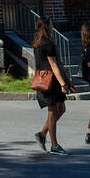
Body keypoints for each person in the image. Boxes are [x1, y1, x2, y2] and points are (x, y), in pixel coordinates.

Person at [32, 16, 74, 154]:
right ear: (46, 26)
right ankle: (54, 145)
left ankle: (42, 134)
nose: (53, 27)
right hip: (49, 81)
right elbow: (54, 65)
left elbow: (58, 64)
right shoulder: (46, 44)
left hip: (51, 79)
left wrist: (67, 82)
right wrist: (63, 84)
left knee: (61, 109)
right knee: (53, 111)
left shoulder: (39, 42)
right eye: (51, 24)